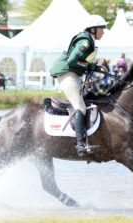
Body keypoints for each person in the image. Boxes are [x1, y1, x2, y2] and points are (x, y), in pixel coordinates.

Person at [50, 14, 108, 157]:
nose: (103, 32)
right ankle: (81, 145)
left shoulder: (90, 40)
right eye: (102, 29)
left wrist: (92, 67)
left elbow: (81, 61)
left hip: (72, 74)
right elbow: (72, 61)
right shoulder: (86, 42)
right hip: (67, 74)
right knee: (80, 106)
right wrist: (90, 67)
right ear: (93, 29)